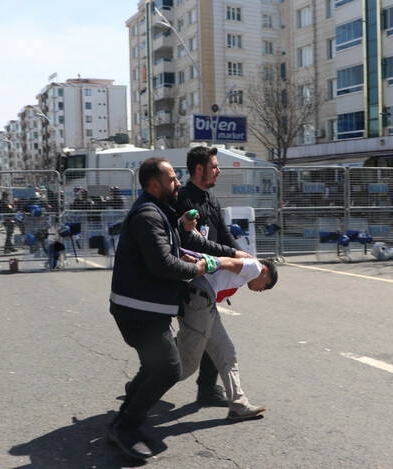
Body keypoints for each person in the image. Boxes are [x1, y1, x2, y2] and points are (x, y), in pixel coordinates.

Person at [107, 157, 238, 460]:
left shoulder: (159, 213)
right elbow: (163, 263)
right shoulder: (147, 215)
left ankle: (123, 420)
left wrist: (184, 236)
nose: (178, 183)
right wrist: (198, 269)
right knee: (168, 369)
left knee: (155, 366)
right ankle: (126, 424)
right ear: (155, 185)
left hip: (144, 309)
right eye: (172, 180)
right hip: (137, 311)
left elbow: (171, 246)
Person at [175, 145, 254, 408]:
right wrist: (233, 255)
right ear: (199, 169)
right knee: (194, 344)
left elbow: (223, 235)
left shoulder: (211, 199)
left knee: (205, 334)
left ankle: (207, 389)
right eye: (214, 166)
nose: (219, 171)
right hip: (189, 280)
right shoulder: (183, 200)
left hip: (211, 279)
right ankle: (149, 380)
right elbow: (195, 245)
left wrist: (244, 256)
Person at [176, 250, 278, 420]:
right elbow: (227, 263)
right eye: (266, 285)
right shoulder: (255, 267)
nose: (262, 290)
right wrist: (205, 261)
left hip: (206, 303)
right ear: (264, 273)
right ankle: (142, 387)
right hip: (200, 300)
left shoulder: (249, 269)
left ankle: (239, 405)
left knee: (226, 352)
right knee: (187, 367)